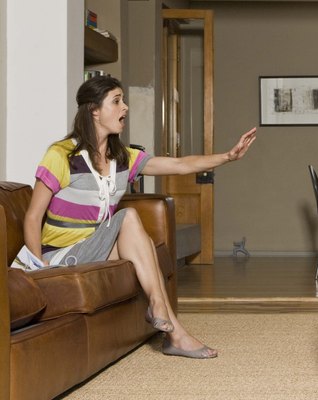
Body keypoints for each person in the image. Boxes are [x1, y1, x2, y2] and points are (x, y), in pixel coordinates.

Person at [24, 76, 258, 359]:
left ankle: (170, 325)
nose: (126, 107)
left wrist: (228, 157)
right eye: (117, 100)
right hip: (62, 254)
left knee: (139, 236)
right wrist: (40, 271)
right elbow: (33, 217)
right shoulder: (62, 155)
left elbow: (180, 165)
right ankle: (171, 327)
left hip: (97, 246)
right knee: (130, 217)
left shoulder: (122, 158)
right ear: (94, 111)